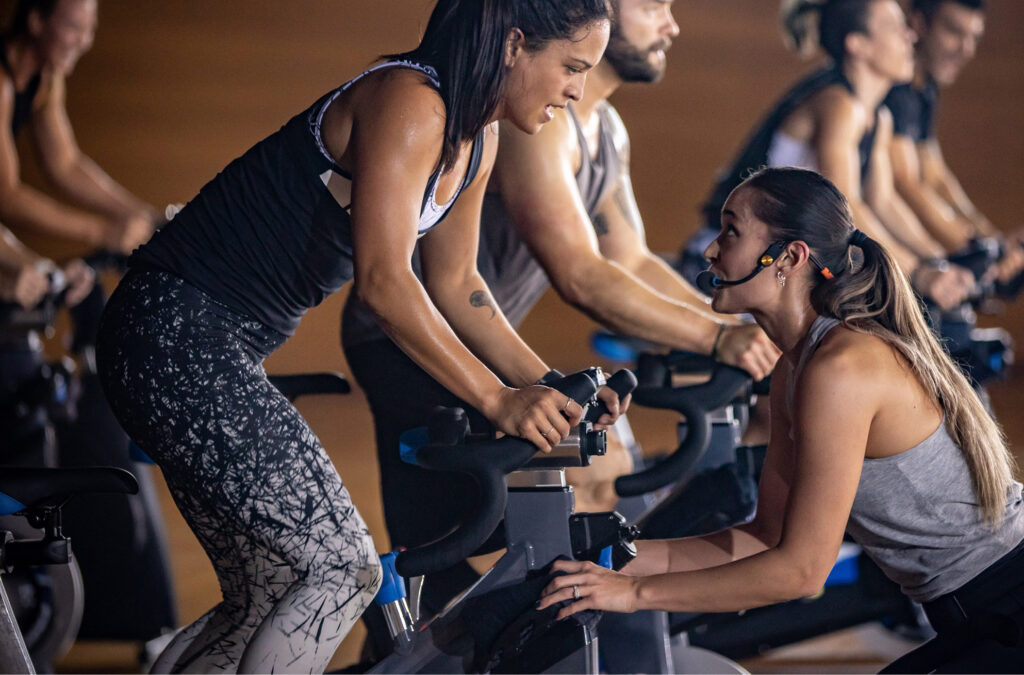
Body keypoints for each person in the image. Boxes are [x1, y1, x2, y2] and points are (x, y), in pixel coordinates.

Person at [95, 0, 612, 672]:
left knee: (272, 591)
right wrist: (496, 399)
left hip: (201, 340)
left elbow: (458, 284)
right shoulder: (411, 100)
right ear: (515, 44)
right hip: (172, 330)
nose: (576, 91)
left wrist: (545, 384)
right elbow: (385, 282)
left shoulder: (476, 139)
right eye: (572, 66)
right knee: (341, 568)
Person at [340, 0, 779, 621]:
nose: (671, 24)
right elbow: (582, 274)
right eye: (652, 4)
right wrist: (716, 339)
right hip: (407, 336)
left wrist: (734, 329)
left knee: (468, 538)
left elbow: (629, 258)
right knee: (523, 510)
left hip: (470, 331)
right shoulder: (535, 121)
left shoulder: (607, 128)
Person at [539, 167, 1024, 672]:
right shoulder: (795, 368)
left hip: (1006, 599)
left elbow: (801, 571)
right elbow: (766, 536)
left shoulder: (841, 368)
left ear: (789, 258)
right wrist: (614, 561)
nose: (711, 250)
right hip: (979, 608)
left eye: (731, 231)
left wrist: (635, 594)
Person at [679, 0, 974, 312]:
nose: (910, 37)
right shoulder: (838, 104)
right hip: (729, 260)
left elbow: (885, 203)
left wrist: (937, 262)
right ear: (858, 45)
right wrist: (916, 272)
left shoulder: (879, 118)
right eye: (894, 28)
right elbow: (847, 209)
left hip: (773, 264)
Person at [0, 0, 157, 255]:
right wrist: (103, 231)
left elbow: (65, 164)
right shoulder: (2, 83)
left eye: (90, 30)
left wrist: (144, 215)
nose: (84, 42)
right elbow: (6, 196)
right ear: (36, 21)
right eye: (74, 27)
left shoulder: (47, 78)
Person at [886, 0, 1024, 282]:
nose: (966, 50)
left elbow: (936, 177)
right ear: (918, 24)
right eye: (953, 32)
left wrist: (988, 238)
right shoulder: (894, 87)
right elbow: (907, 185)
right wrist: (977, 251)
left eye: (973, 37)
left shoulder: (925, 88)